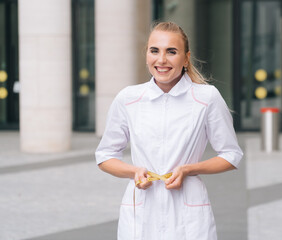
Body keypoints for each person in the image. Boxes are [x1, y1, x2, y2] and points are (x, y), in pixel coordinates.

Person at [95, 21, 243, 240]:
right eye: (154, 50)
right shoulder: (128, 98)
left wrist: (189, 169)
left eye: (171, 52)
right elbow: (105, 155)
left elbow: (232, 155)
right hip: (141, 208)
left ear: (186, 58)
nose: (161, 60)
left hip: (188, 209)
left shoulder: (206, 98)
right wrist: (133, 172)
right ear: (147, 54)